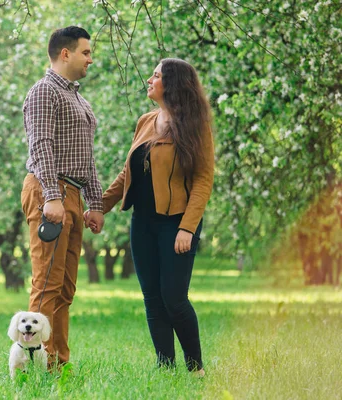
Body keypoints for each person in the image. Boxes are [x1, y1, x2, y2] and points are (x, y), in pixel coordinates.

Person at [89, 58, 214, 376]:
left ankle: (196, 368)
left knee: (174, 297)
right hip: (142, 222)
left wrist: (187, 227)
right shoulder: (145, 120)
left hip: (176, 223)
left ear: (170, 85)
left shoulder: (194, 126)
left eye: (155, 76)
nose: (149, 80)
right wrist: (99, 205)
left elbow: (202, 180)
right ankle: (165, 366)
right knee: (153, 298)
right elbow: (126, 173)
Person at [21, 26, 104, 369]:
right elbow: (40, 145)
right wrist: (52, 196)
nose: (90, 59)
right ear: (65, 53)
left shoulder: (79, 99)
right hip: (48, 191)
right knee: (46, 286)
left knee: (66, 289)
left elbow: (87, 157)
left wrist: (95, 203)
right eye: (86, 52)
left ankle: (56, 365)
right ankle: (32, 365)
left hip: (72, 195)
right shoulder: (44, 92)